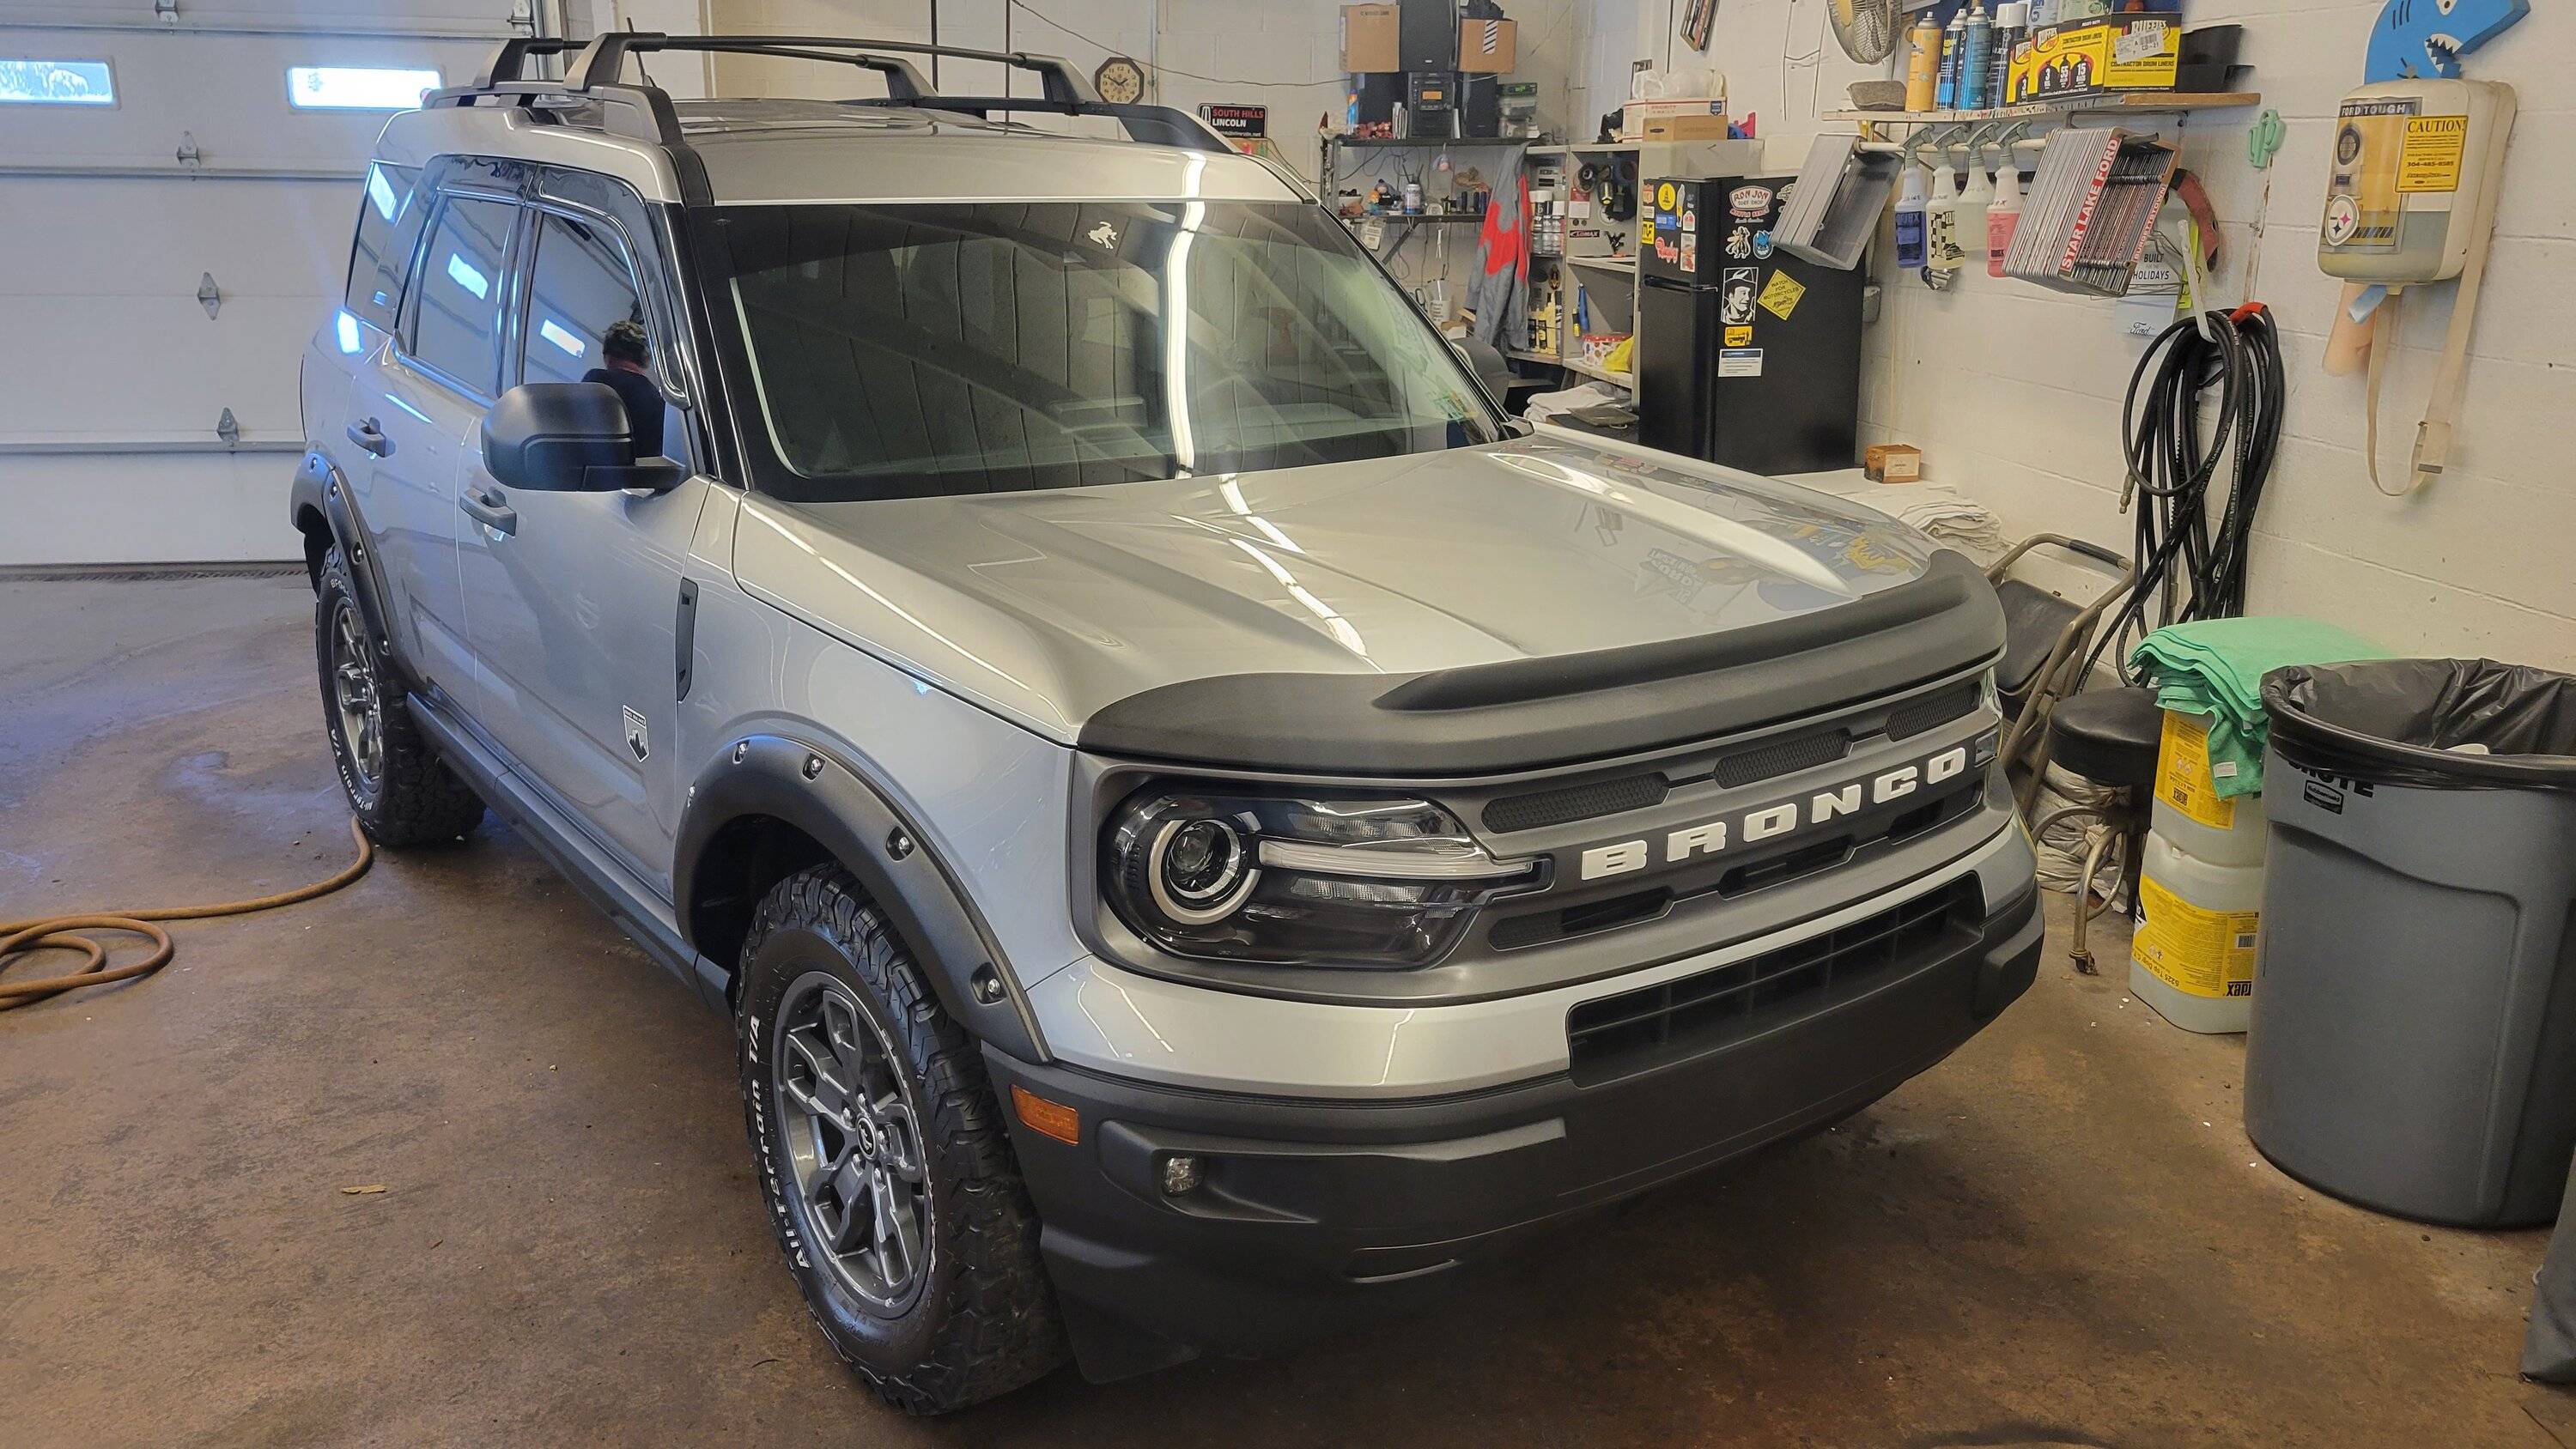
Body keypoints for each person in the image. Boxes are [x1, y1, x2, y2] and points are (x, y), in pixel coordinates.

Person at [583, 318, 665, 459]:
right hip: (647, 478)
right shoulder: (660, 400)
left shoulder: (597, 381)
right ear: (645, 358)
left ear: (607, 355)